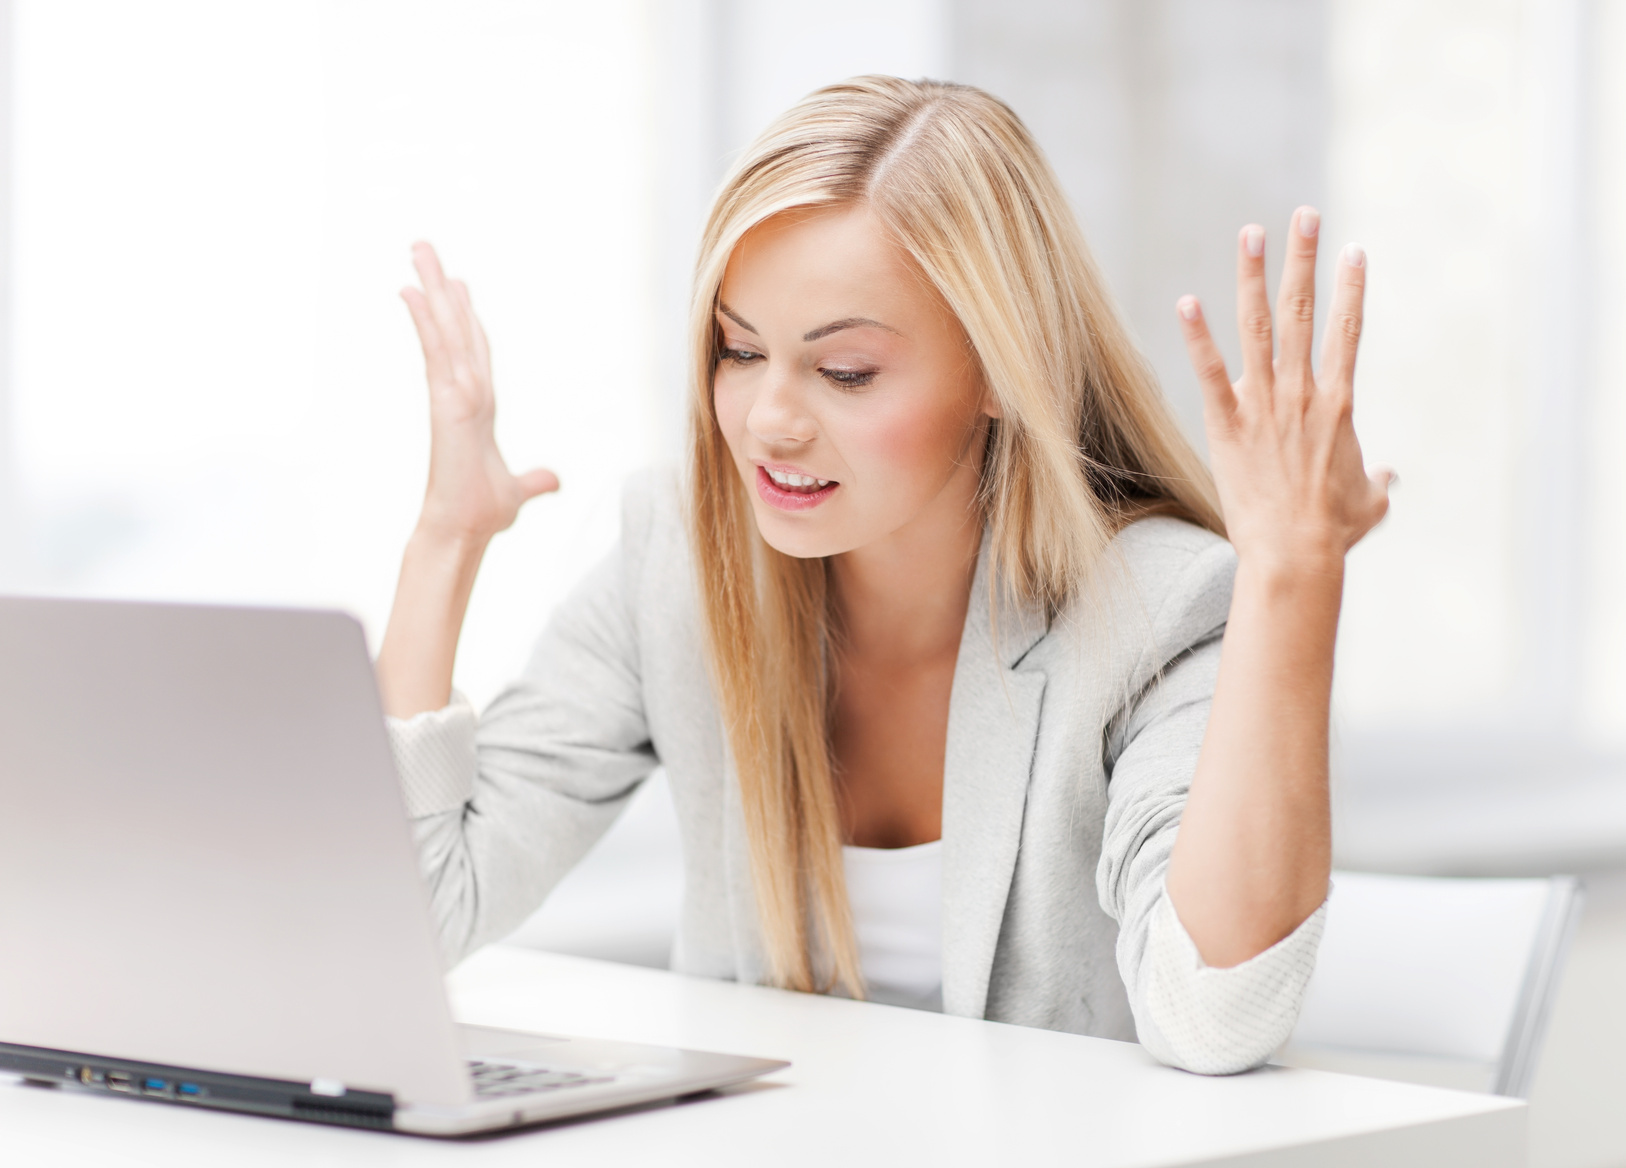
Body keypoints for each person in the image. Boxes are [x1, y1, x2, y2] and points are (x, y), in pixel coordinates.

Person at [376, 76, 1390, 1075]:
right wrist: (444, 541)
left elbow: (1213, 1017)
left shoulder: (1156, 608)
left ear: (1001, 366)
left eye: (845, 371)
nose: (769, 419)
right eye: (737, 349)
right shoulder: (679, 561)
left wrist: (1291, 578)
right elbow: (403, 919)